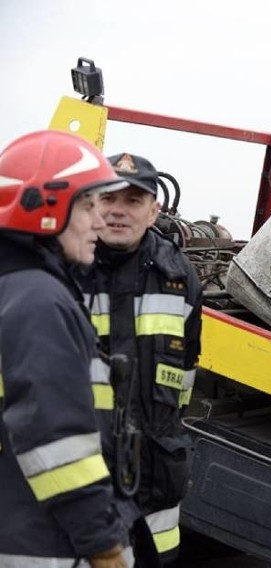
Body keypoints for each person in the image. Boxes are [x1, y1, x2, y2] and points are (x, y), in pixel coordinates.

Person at [0, 131, 134, 567]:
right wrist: (107, 549)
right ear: (46, 208)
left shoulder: (16, 290)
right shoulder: (40, 300)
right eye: (89, 205)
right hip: (44, 547)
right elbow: (59, 445)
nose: (100, 221)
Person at [77, 152, 202, 565]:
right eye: (108, 197)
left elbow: (185, 374)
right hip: (79, 481)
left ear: (154, 211)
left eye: (133, 201)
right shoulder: (62, 268)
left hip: (153, 485)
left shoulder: (179, 277)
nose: (117, 210)